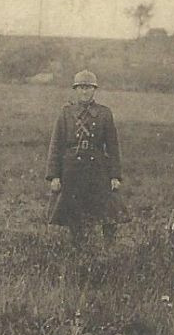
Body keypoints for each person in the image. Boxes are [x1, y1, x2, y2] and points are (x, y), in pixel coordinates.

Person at [46, 70, 123, 240]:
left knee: (108, 211)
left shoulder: (105, 113)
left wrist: (115, 176)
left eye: (88, 88)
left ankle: (108, 249)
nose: (84, 91)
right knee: (75, 213)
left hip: (98, 169)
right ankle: (79, 248)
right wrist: (54, 176)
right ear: (75, 90)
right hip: (72, 170)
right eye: (81, 87)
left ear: (94, 90)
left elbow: (113, 147)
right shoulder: (66, 113)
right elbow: (56, 145)